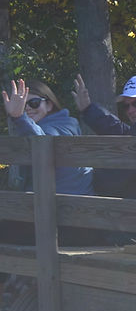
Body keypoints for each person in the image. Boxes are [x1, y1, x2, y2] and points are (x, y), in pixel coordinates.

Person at [0, 79, 94, 246]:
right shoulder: (40, 126)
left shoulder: (65, 125)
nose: (27, 107)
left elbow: (44, 143)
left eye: (34, 103)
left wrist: (19, 117)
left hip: (68, 219)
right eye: (23, 104)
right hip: (48, 213)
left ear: (49, 105)